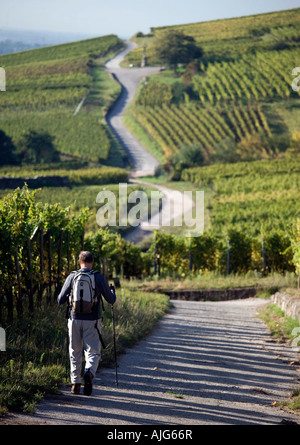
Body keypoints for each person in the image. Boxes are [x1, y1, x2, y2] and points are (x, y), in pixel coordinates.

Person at [57, 250, 116, 395]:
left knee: (74, 351)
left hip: (74, 319)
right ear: (92, 262)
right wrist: (112, 291)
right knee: (93, 352)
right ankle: (89, 373)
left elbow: (60, 300)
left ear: (79, 262)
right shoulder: (98, 277)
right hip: (93, 321)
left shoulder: (72, 276)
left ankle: (75, 384)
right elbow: (111, 299)